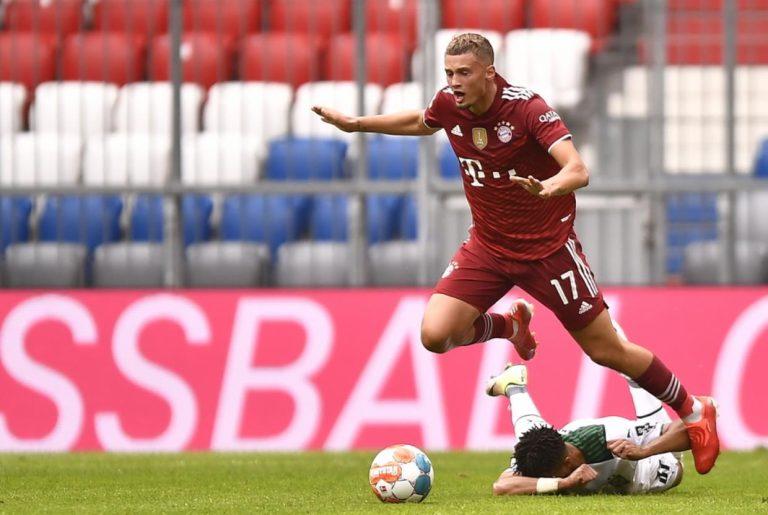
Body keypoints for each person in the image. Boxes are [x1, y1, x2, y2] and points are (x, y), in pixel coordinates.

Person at [310, 32, 719, 474]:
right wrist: (357, 125)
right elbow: (423, 122)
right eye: (448, 73)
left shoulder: (528, 110)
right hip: (488, 247)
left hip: (549, 251)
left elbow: (578, 169)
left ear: (489, 73)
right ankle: (510, 326)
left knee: (606, 350)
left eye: (464, 73)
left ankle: (695, 411)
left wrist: (549, 187)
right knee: (435, 335)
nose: (454, 82)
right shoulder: (449, 103)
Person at [487, 363, 693, 495]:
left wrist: (644, 451)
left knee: (676, 466)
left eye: (553, 476)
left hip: (649, 468)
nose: (549, 480)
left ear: (568, 462)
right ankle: (514, 387)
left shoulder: (610, 436)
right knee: (529, 426)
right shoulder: (533, 453)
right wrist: (563, 483)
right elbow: (501, 486)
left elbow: (686, 428)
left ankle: (634, 372)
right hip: (550, 440)